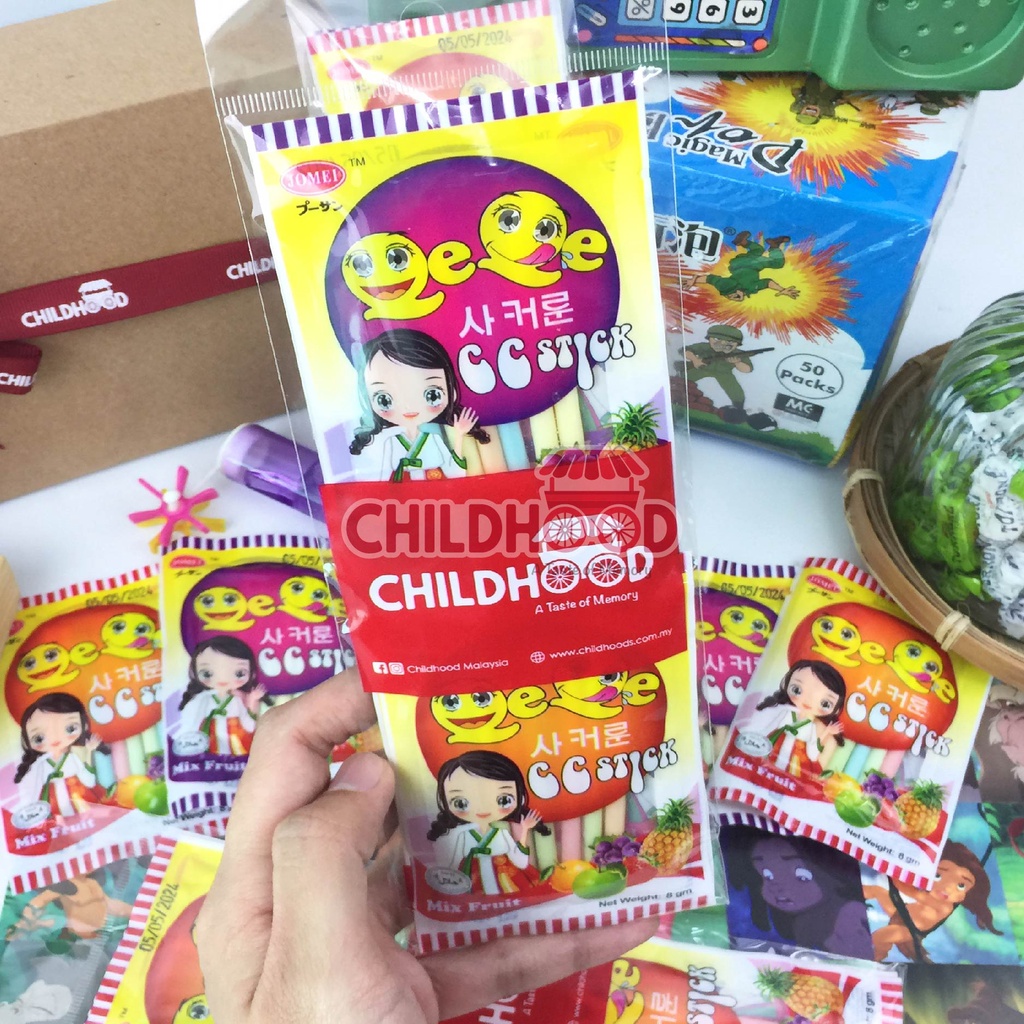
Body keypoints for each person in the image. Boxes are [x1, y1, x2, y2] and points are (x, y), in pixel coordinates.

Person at [194, 670, 657, 1023]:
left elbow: (517, 858)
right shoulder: (458, 836)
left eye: (501, 799)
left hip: (510, 889)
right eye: (463, 801)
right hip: (473, 897)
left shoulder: (499, 832)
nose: (484, 809)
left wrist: (518, 838)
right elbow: (458, 859)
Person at [349, 329, 489, 482]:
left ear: (451, 391)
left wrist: (459, 435)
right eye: (384, 400)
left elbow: (455, 473)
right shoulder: (391, 442)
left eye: (432, 395)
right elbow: (383, 478)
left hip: (437, 493)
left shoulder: (434, 439)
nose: (408, 406)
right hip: (403, 495)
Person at [426, 751, 548, 894]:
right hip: (473, 882)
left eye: (503, 800)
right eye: (460, 803)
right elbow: (453, 863)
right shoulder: (464, 836)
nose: (482, 808)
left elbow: (520, 862)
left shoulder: (502, 833)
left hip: (504, 881)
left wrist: (525, 829)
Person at [863, 842, 1002, 962]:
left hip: (908, 930)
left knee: (881, 936)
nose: (947, 888)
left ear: (964, 897)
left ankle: (880, 953)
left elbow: (911, 891)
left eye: (961, 885)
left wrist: (893, 869)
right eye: (938, 876)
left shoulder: (945, 906)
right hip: (900, 913)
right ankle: (852, 893)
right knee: (877, 891)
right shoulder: (929, 891)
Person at [743, 660, 846, 776]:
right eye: (797, 690)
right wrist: (756, 738)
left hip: (797, 756)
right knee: (763, 770)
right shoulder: (787, 712)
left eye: (825, 704)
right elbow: (771, 726)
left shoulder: (811, 726)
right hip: (776, 744)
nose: (808, 701)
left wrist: (827, 732)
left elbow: (813, 749)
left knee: (789, 776)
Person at [14, 693, 108, 816]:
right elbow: (33, 788)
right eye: (39, 738)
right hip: (52, 804)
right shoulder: (40, 764)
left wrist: (89, 751)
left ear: (84, 725)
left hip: (79, 798)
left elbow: (89, 781)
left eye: (70, 728)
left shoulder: (73, 756)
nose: (55, 738)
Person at [177, 637, 270, 756]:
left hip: (236, 731)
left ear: (252, 672)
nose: (222, 679)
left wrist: (252, 700)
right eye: (207, 673)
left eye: (239, 673)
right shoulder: (204, 698)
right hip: (210, 731)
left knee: (238, 751)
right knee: (211, 751)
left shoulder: (238, 696)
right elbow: (192, 716)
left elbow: (250, 717)